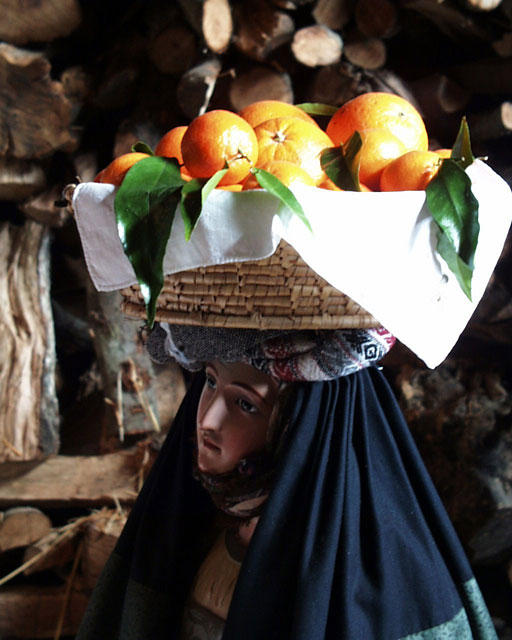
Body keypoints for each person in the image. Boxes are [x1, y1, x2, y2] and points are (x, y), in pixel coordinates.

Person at [76, 325, 498, 640]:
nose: (207, 420)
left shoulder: (364, 581)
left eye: (245, 404)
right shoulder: (192, 528)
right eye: (210, 382)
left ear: (300, 427)